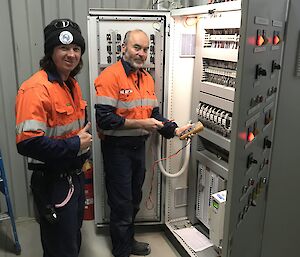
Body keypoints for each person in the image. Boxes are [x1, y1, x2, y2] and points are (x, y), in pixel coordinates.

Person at [94, 29, 191, 257]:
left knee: (134, 199)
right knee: (121, 203)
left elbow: (154, 115)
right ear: (123, 48)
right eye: (137, 48)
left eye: (146, 49)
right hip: (117, 150)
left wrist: (175, 129)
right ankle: (121, 251)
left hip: (138, 149)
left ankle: (127, 241)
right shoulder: (110, 76)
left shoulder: (146, 78)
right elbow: (104, 119)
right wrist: (141, 123)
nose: (141, 53)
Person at [15, 18, 92, 257]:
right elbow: (27, 143)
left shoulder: (70, 84)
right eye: (64, 48)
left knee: (71, 238)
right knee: (60, 246)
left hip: (74, 177)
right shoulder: (35, 89)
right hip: (53, 183)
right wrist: (75, 144)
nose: (71, 54)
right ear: (50, 52)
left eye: (76, 49)